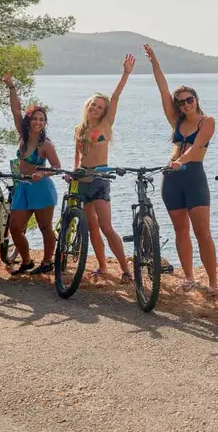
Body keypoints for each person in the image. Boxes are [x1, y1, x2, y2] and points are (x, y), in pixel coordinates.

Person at [145, 45, 218, 293]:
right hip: (172, 179)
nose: (186, 104)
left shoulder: (207, 121)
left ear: (196, 99)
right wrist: (154, 61)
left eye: (189, 99)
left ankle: (213, 282)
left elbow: (198, 147)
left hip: (194, 177)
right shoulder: (176, 121)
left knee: (202, 232)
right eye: (181, 102)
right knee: (181, 231)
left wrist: (181, 161)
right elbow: (162, 88)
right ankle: (189, 277)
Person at [73, 54, 134, 283]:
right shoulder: (79, 128)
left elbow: (116, 97)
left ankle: (126, 270)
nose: (95, 108)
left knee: (107, 227)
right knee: (91, 227)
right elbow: (76, 155)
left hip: (100, 177)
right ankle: (102, 267)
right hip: (82, 178)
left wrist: (125, 74)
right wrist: (72, 174)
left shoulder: (106, 125)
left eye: (100, 107)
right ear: (87, 106)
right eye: (93, 105)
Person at [3, 73, 62, 275]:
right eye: (35, 119)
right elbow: (16, 110)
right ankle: (27, 261)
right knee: (15, 227)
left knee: (45, 227)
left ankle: (47, 262)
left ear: (44, 123)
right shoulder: (22, 135)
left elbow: (56, 167)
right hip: (22, 188)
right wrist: (11, 86)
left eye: (42, 119)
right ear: (29, 121)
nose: (38, 122)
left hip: (41, 189)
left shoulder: (46, 145)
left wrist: (42, 174)